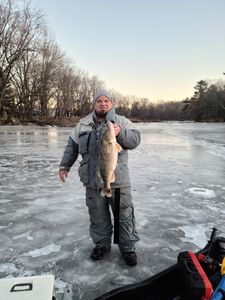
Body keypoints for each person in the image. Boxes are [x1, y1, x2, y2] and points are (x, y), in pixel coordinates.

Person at [58, 89, 140, 266]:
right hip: (92, 180)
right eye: (99, 101)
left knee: (123, 214)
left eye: (106, 101)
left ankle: (127, 248)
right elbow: (71, 147)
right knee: (97, 215)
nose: (103, 104)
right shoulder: (83, 124)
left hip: (117, 180)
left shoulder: (121, 121)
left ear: (111, 104)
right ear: (94, 104)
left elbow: (135, 140)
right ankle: (102, 245)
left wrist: (120, 134)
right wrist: (65, 165)